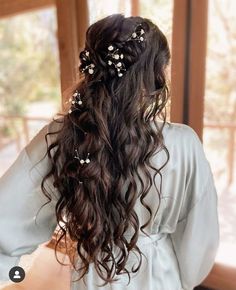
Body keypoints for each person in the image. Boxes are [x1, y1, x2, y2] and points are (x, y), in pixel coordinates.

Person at [0, 14, 219, 290]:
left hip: (95, 278)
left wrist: (14, 276)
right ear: (156, 74)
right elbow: (200, 240)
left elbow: (5, 217)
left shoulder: (62, 136)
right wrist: (184, 280)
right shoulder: (184, 144)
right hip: (162, 277)